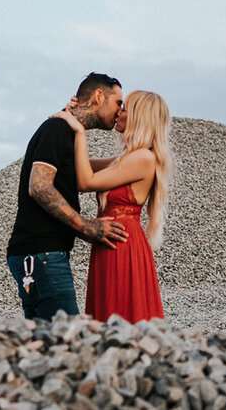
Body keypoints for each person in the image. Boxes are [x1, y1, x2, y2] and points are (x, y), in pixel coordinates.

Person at [5, 73, 130, 320]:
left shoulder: (67, 131)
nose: (120, 111)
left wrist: (139, 157)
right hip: (41, 255)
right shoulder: (57, 128)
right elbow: (39, 186)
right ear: (98, 96)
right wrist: (87, 227)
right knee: (69, 343)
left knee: (46, 345)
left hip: (40, 254)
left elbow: (83, 174)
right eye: (118, 102)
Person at [54, 90, 173, 323]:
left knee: (121, 316)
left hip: (122, 243)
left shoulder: (143, 158)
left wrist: (79, 132)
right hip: (111, 240)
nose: (118, 112)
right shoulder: (128, 157)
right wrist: (74, 117)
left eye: (124, 108)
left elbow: (85, 181)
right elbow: (78, 166)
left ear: (138, 117)